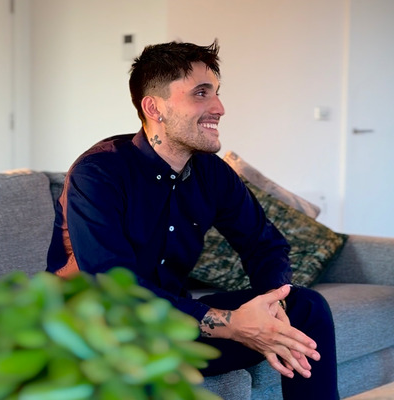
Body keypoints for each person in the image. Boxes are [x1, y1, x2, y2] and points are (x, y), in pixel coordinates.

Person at [47, 40, 339, 399]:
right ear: (154, 107)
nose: (219, 108)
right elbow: (112, 287)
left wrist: (272, 306)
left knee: (305, 308)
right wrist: (229, 324)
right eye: (201, 93)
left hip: (172, 326)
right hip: (100, 332)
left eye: (216, 93)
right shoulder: (98, 173)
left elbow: (264, 244)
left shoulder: (212, 173)